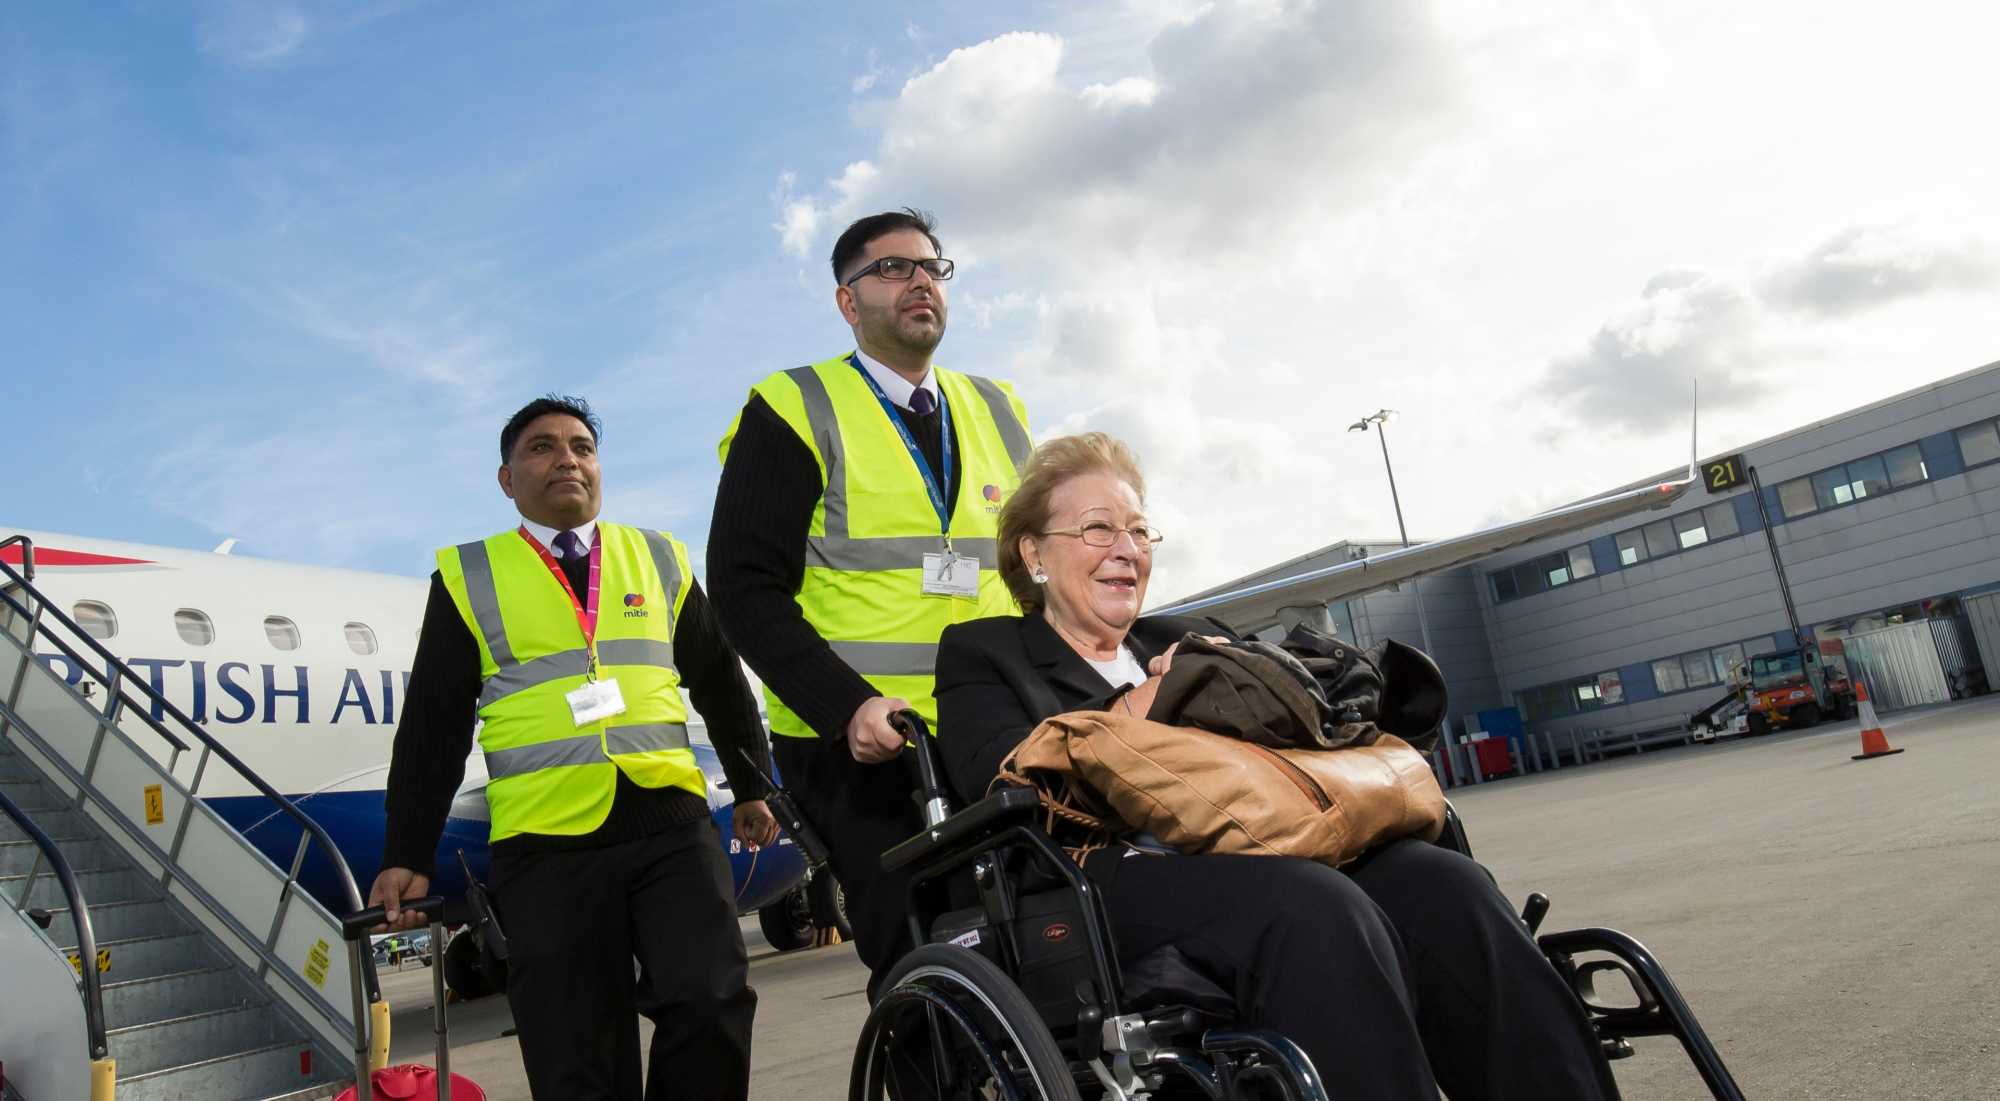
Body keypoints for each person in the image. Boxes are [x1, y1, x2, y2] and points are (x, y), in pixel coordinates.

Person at [934, 432, 1621, 1101]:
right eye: (1098, 528)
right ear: (1034, 553)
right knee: (1315, 907)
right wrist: (1143, 704)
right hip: (1108, 878)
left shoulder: (1187, 636)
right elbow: (1002, 779)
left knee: (1447, 886)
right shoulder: (985, 654)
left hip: (1268, 841)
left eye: (1140, 532)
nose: (1127, 549)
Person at [370, 395, 781, 1101]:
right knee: (574, 1053)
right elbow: (433, 725)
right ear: (507, 479)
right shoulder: (470, 576)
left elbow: (719, 677)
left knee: (711, 999)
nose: (567, 459)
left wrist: (752, 786)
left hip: (668, 823)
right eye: (542, 447)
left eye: (582, 446)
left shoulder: (658, 558)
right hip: (544, 843)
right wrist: (407, 851)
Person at [707, 209, 1033, 980]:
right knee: (924, 955)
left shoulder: (999, 407)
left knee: (1040, 936)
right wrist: (845, 704)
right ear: (847, 302)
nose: (920, 280)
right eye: (892, 267)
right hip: (859, 745)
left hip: (992, 722)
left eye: (933, 267)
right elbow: (743, 588)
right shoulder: (793, 405)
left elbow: (1038, 565)